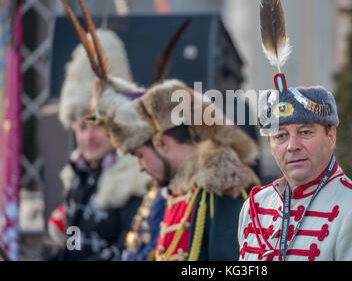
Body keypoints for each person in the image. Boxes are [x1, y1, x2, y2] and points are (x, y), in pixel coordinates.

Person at [237, 0, 352, 261]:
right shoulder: (254, 207)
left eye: (306, 132)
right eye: (280, 136)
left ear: (331, 135)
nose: (292, 145)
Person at [89, 67, 261, 260]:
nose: (140, 167)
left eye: (140, 156)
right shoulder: (181, 190)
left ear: (162, 143)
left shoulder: (221, 188)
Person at [47, 28, 151, 261]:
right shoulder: (77, 173)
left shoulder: (137, 176)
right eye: (82, 127)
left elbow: (128, 252)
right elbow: (72, 248)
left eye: (96, 125)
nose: (87, 137)